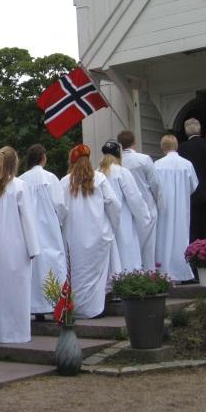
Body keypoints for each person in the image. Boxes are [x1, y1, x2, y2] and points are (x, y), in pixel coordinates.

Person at [0, 146, 40, 343]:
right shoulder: (20, 186)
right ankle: (14, 332)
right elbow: (28, 219)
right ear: (15, 163)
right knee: (16, 289)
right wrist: (33, 248)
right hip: (15, 245)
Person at [60, 144, 121, 319]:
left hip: (74, 235)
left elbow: (59, 208)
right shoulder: (99, 178)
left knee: (77, 272)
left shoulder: (65, 182)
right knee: (96, 274)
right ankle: (94, 308)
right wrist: (113, 224)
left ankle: (77, 307)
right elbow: (113, 204)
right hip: (98, 233)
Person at [19, 144, 67, 321]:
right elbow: (60, 205)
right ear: (43, 157)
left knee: (34, 267)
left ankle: (35, 307)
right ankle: (55, 304)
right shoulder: (51, 178)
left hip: (30, 229)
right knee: (53, 263)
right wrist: (59, 221)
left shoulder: (22, 179)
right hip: (49, 228)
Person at [97, 140, 151, 273]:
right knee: (127, 255)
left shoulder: (96, 173)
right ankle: (128, 282)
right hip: (123, 220)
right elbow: (135, 198)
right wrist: (145, 218)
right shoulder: (122, 172)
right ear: (118, 155)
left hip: (103, 222)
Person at [117, 130, 162, 270]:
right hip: (147, 206)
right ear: (134, 143)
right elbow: (155, 184)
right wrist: (159, 203)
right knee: (148, 246)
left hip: (126, 209)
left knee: (129, 245)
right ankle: (149, 274)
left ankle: (131, 272)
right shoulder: (144, 159)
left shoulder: (118, 162)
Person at [155, 135, 198, 282]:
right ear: (176, 146)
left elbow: (154, 188)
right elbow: (193, 186)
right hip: (181, 207)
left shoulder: (157, 165)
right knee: (181, 236)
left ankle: (163, 271)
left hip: (163, 208)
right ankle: (181, 271)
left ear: (163, 148)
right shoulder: (187, 164)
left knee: (163, 237)